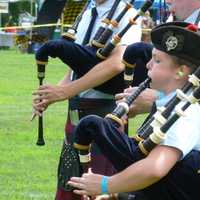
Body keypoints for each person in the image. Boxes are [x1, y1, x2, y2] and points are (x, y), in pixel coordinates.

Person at [68, 21, 200, 200]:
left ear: (180, 72)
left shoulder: (185, 112)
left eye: (157, 60)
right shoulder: (170, 104)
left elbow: (155, 168)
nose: (148, 65)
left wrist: (106, 184)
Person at [32, 0, 146, 199]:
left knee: (98, 193)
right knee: (71, 189)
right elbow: (77, 66)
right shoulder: (87, 11)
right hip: (76, 114)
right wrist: (52, 94)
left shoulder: (128, 14)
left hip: (105, 117)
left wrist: (65, 92)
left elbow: (117, 63)